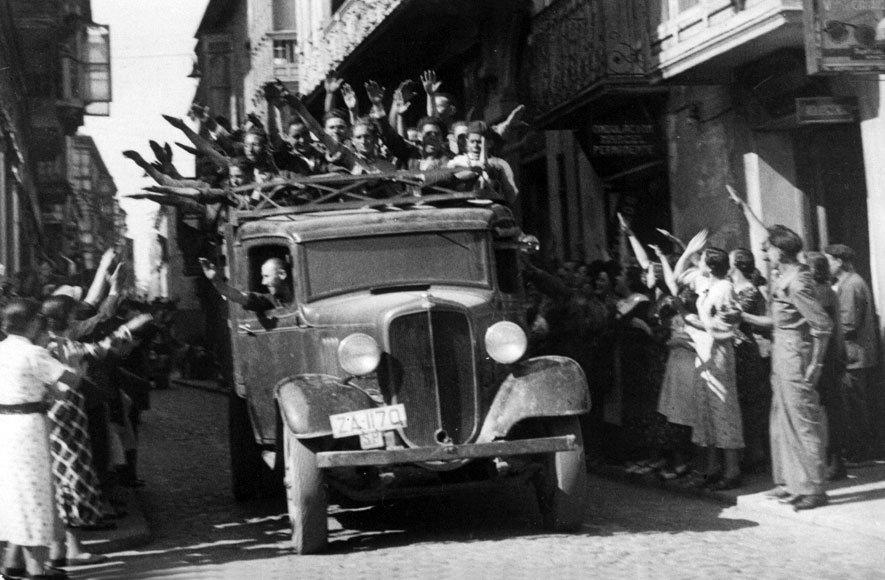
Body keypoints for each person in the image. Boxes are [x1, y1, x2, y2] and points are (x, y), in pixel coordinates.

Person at [40, 295, 152, 568]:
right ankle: (69, 549)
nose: (76, 319)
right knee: (69, 479)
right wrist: (127, 329)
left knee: (68, 480)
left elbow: (98, 349)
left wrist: (125, 330)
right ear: (65, 317)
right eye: (72, 314)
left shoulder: (57, 344)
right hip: (64, 421)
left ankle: (64, 548)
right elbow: (97, 350)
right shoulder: (55, 347)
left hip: (67, 419)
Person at [742, 225, 832, 510]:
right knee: (781, 419)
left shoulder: (797, 282)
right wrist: (743, 316)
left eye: (768, 248)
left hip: (795, 354)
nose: (764, 253)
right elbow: (777, 321)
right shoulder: (785, 277)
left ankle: (814, 488)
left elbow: (822, 325)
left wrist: (816, 363)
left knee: (803, 421)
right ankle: (791, 483)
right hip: (782, 351)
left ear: (780, 251)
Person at [0, 298, 77, 580]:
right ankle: (36, 568)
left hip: (4, 425)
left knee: (12, 493)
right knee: (35, 494)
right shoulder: (34, 353)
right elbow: (71, 381)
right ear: (33, 323)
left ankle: (12, 563)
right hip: (28, 427)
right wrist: (73, 361)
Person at [684, 247, 744, 490]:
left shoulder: (725, 288)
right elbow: (677, 277)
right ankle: (713, 467)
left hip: (718, 351)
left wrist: (695, 322)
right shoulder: (708, 285)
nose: (698, 263)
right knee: (707, 408)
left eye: (702, 260)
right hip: (704, 349)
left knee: (722, 407)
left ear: (710, 266)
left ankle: (732, 469)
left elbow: (727, 325)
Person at [824, 243, 881, 462]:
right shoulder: (846, 283)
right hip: (853, 354)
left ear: (839, 261)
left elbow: (848, 323)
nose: (826, 266)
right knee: (854, 404)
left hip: (853, 355)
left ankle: (861, 453)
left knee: (855, 406)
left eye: (828, 261)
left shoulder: (851, 285)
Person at [805, 251, 847, 481]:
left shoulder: (820, 293)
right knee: (830, 411)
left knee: (826, 413)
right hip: (830, 356)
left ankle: (832, 461)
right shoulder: (828, 291)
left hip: (823, 357)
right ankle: (834, 461)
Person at [729, 248, 769, 471]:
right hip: (733, 349)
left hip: (744, 350)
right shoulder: (731, 287)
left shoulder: (750, 291)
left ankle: (755, 454)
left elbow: (734, 319)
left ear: (736, 264)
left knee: (750, 403)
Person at [199, 257, 292, 313]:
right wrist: (216, 281)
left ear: (282, 274)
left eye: (267, 276)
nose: (263, 282)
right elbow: (239, 297)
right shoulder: (270, 301)